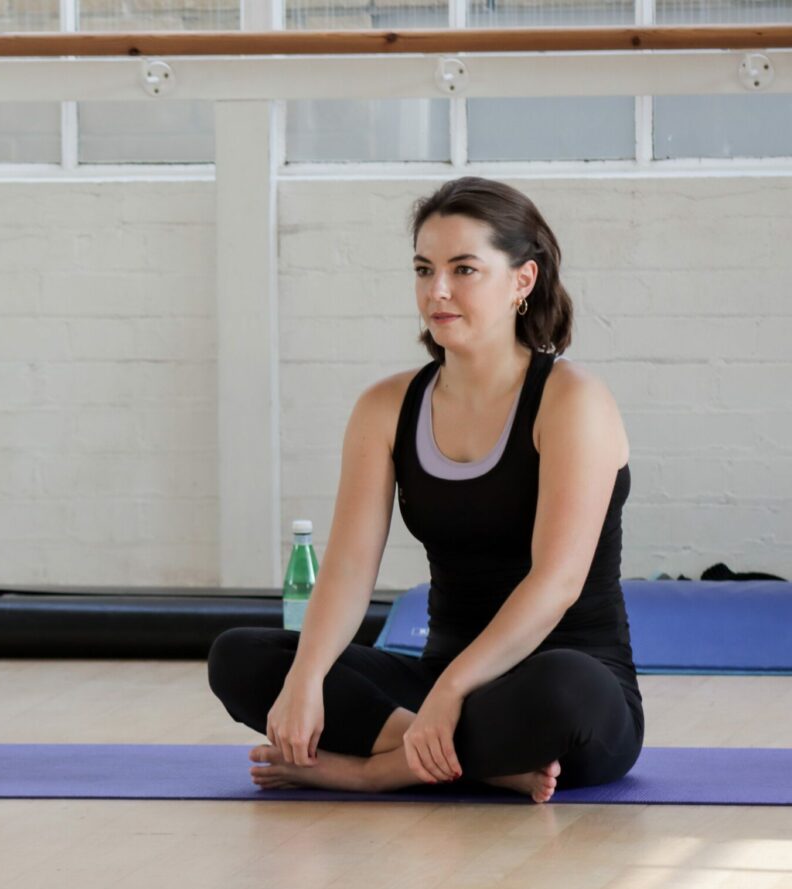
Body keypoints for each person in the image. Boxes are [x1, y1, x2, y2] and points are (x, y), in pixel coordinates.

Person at [207, 176, 642, 804]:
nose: (437, 291)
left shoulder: (573, 401)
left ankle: (379, 770)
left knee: (564, 691)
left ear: (523, 279)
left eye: (464, 269)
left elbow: (556, 584)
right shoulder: (386, 407)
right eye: (424, 269)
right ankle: (466, 760)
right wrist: (305, 677)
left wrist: (449, 695)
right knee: (240, 656)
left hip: (559, 687)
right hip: (437, 687)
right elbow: (351, 568)